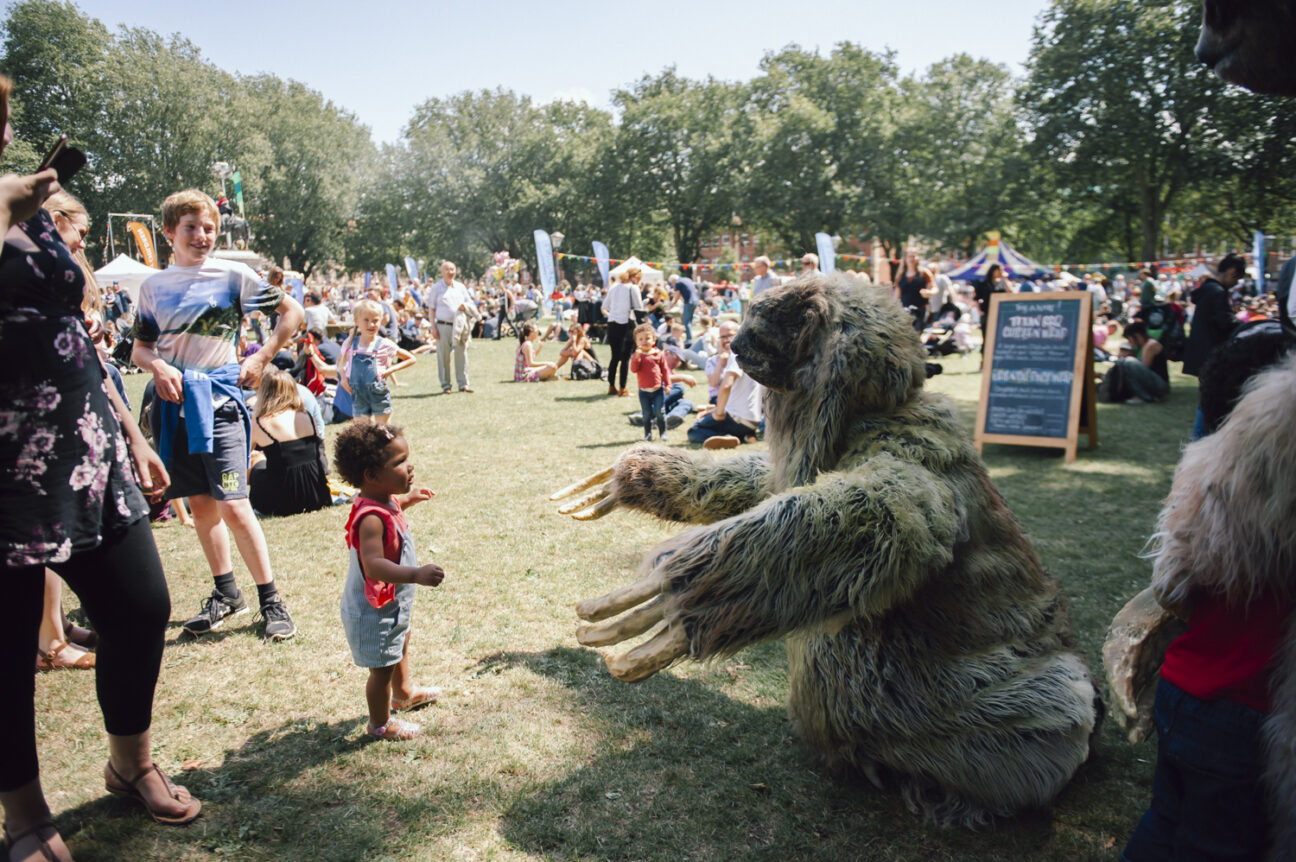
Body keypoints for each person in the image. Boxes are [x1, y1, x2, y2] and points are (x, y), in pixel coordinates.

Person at [1, 74, 201, 862]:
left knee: (141, 607)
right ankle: (25, 814)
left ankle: (131, 764)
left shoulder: (24, 206)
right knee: (9, 646)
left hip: (85, 452)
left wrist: (129, 429)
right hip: (4, 471)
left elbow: (75, 333)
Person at [132, 188, 303, 641]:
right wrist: (158, 364)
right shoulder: (153, 287)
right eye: (191, 227)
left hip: (223, 403)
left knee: (233, 502)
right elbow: (140, 348)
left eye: (209, 227)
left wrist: (262, 357)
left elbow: (292, 312)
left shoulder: (233, 276)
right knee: (201, 505)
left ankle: (271, 600)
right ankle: (226, 593)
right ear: (169, 232)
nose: (202, 235)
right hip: (174, 408)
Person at [334, 423, 444, 741]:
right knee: (381, 668)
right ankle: (380, 724)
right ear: (371, 475)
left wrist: (408, 499)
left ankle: (405, 692)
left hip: (390, 603)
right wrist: (416, 574)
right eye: (399, 462)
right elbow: (374, 565)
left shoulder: (385, 498)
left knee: (400, 642)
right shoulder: (370, 518)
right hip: (372, 609)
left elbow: (393, 512)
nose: (409, 466)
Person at [247, 370, 331, 517]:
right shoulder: (307, 416)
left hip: (283, 500)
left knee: (257, 461)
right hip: (317, 494)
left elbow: (244, 455)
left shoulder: (260, 422)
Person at [1183, 254, 1244, 438]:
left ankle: (1201, 440)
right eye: (1236, 278)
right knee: (1209, 403)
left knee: (1207, 401)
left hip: (1202, 354)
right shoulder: (1217, 293)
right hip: (1211, 356)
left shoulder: (1208, 291)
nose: (1236, 284)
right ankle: (1199, 441)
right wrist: (1248, 326)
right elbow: (1225, 323)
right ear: (1231, 272)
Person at [338, 299, 416, 425]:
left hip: (378, 393)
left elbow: (411, 358)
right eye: (366, 320)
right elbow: (340, 362)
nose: (371, 324)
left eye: (375, 321)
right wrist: (342, 377)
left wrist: (390, 370)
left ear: (381, 321)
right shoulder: (350, 343)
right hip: (358, 394)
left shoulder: (384, 344)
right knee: (362, 432)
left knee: (383, 431)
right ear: (357, 321)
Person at [687, 332, 765, 449]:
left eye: (730, 335)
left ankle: (728, 437)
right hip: (754, 421)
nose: (727, 340)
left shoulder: (736, 354)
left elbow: (726, 385)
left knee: (694, 431)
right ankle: (745, 436)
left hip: (737, 418)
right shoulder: (755, 355)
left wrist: (718, 412)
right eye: (723, 336)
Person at [426, 261, 481, 393]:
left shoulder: (461, 287)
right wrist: (433, 327)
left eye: (452, 269)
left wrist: (465, 307)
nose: (450, 272)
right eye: (447, 270)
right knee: (443, 356)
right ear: (442, 272)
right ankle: (446, 385)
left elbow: (470, 303)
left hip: (459, 325)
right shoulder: (436, 288)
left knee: (462, 354)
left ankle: (463, 384)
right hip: (443, 326)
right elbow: (431, 309)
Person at [1099, 321, 1170, 403]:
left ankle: (1145, 397)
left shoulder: (1151, 345)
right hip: (1156, 382)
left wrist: (1130, 359)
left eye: (1129, 339)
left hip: (1160, 385)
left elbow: (1144, 368)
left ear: (1136, 335)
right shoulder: (1145, 345)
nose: (1130, 342)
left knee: (1129, 362)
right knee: (1126, 362)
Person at [602, 267, 644, 397]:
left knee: (614, 357)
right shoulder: (633, 288)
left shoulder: (614, 287)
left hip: (612, 323)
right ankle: (623, 388)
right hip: (626, 324)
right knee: (625, 358)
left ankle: (611, 386)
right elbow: (639, 307)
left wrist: (615, 312)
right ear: (635, 277)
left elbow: (605, 306)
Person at [629, 322, 671, 443]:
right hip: (644, 391)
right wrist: (636, 358)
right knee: (646, 413)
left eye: (647, 338)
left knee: (659, 412)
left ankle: (663, 432)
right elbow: (634, 369)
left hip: (658, 389)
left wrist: (667, 384)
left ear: (654, 340)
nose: (644, 341)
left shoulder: (658, 354)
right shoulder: (637, 356)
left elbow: (665, 370)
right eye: (640, 339)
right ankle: (647, 434)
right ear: (636, 342)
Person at [894, 251, 934, 332]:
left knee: (916, 334)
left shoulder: (924, 273)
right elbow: (896, 294)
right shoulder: (901, 275)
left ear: (917, 258)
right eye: (909, 256)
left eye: (913, 256)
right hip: (904, 311)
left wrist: (928, 292)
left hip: (920, 311)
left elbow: (934, 288)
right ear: (905, 259)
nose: (911, 259)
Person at [668, 273, 699, 345]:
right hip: (695, 300)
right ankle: (690, 336)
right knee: (690, 320)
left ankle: (689, 339)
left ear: (673, 281)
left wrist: (673, 304)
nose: (673, 285)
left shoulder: (678, 283)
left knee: (686, 321)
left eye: (672, 283)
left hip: (689, 301)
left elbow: (677, 295)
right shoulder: (687, 279)